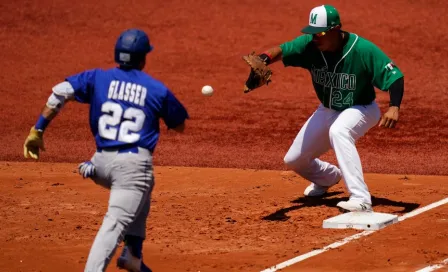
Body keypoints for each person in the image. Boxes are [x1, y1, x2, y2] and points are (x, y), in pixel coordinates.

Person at [23, 28, 189, 271]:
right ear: (143, 58)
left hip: (101, 163)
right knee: (114, 224)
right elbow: (180, 125)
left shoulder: (97, 78)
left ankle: (133, 254)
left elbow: (59, 93)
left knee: (144, 186)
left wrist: (37, 131)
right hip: (131, 169)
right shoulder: (156, 89)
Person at [243, 5, 404, 212]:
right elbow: (282, 50)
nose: (314, 38)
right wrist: (263, 59)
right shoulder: (311, 45)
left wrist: (394, 107)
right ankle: (328, 177)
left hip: (361, 107)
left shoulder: (363, 49)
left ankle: (360, 198)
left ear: (336, 29)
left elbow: (395, 77)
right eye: (312, 32)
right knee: (294, 160)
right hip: (328, 109)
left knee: (340, 131)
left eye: (320, 33)